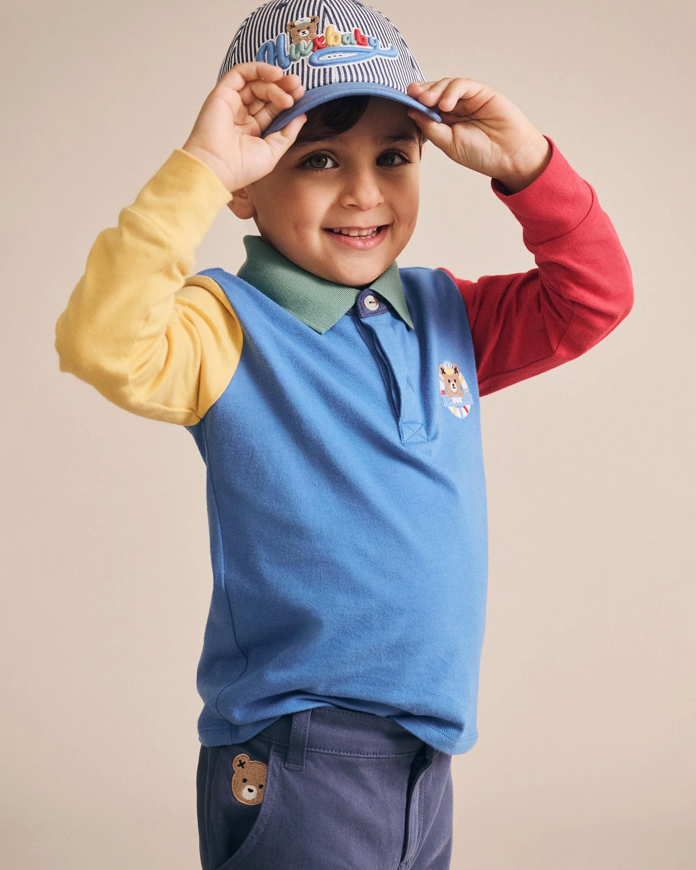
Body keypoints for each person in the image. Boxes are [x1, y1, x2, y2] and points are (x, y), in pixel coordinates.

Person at [54, 1, 633, 867]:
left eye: (394, 157)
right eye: (319, 159)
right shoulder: (225, 326)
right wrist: (201, 170)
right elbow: (100, 341)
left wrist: (530, 167)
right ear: (247, 184)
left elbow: (593, 298)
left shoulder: (445, 313)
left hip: (426, 750)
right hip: (297, 750)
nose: (365, 193)